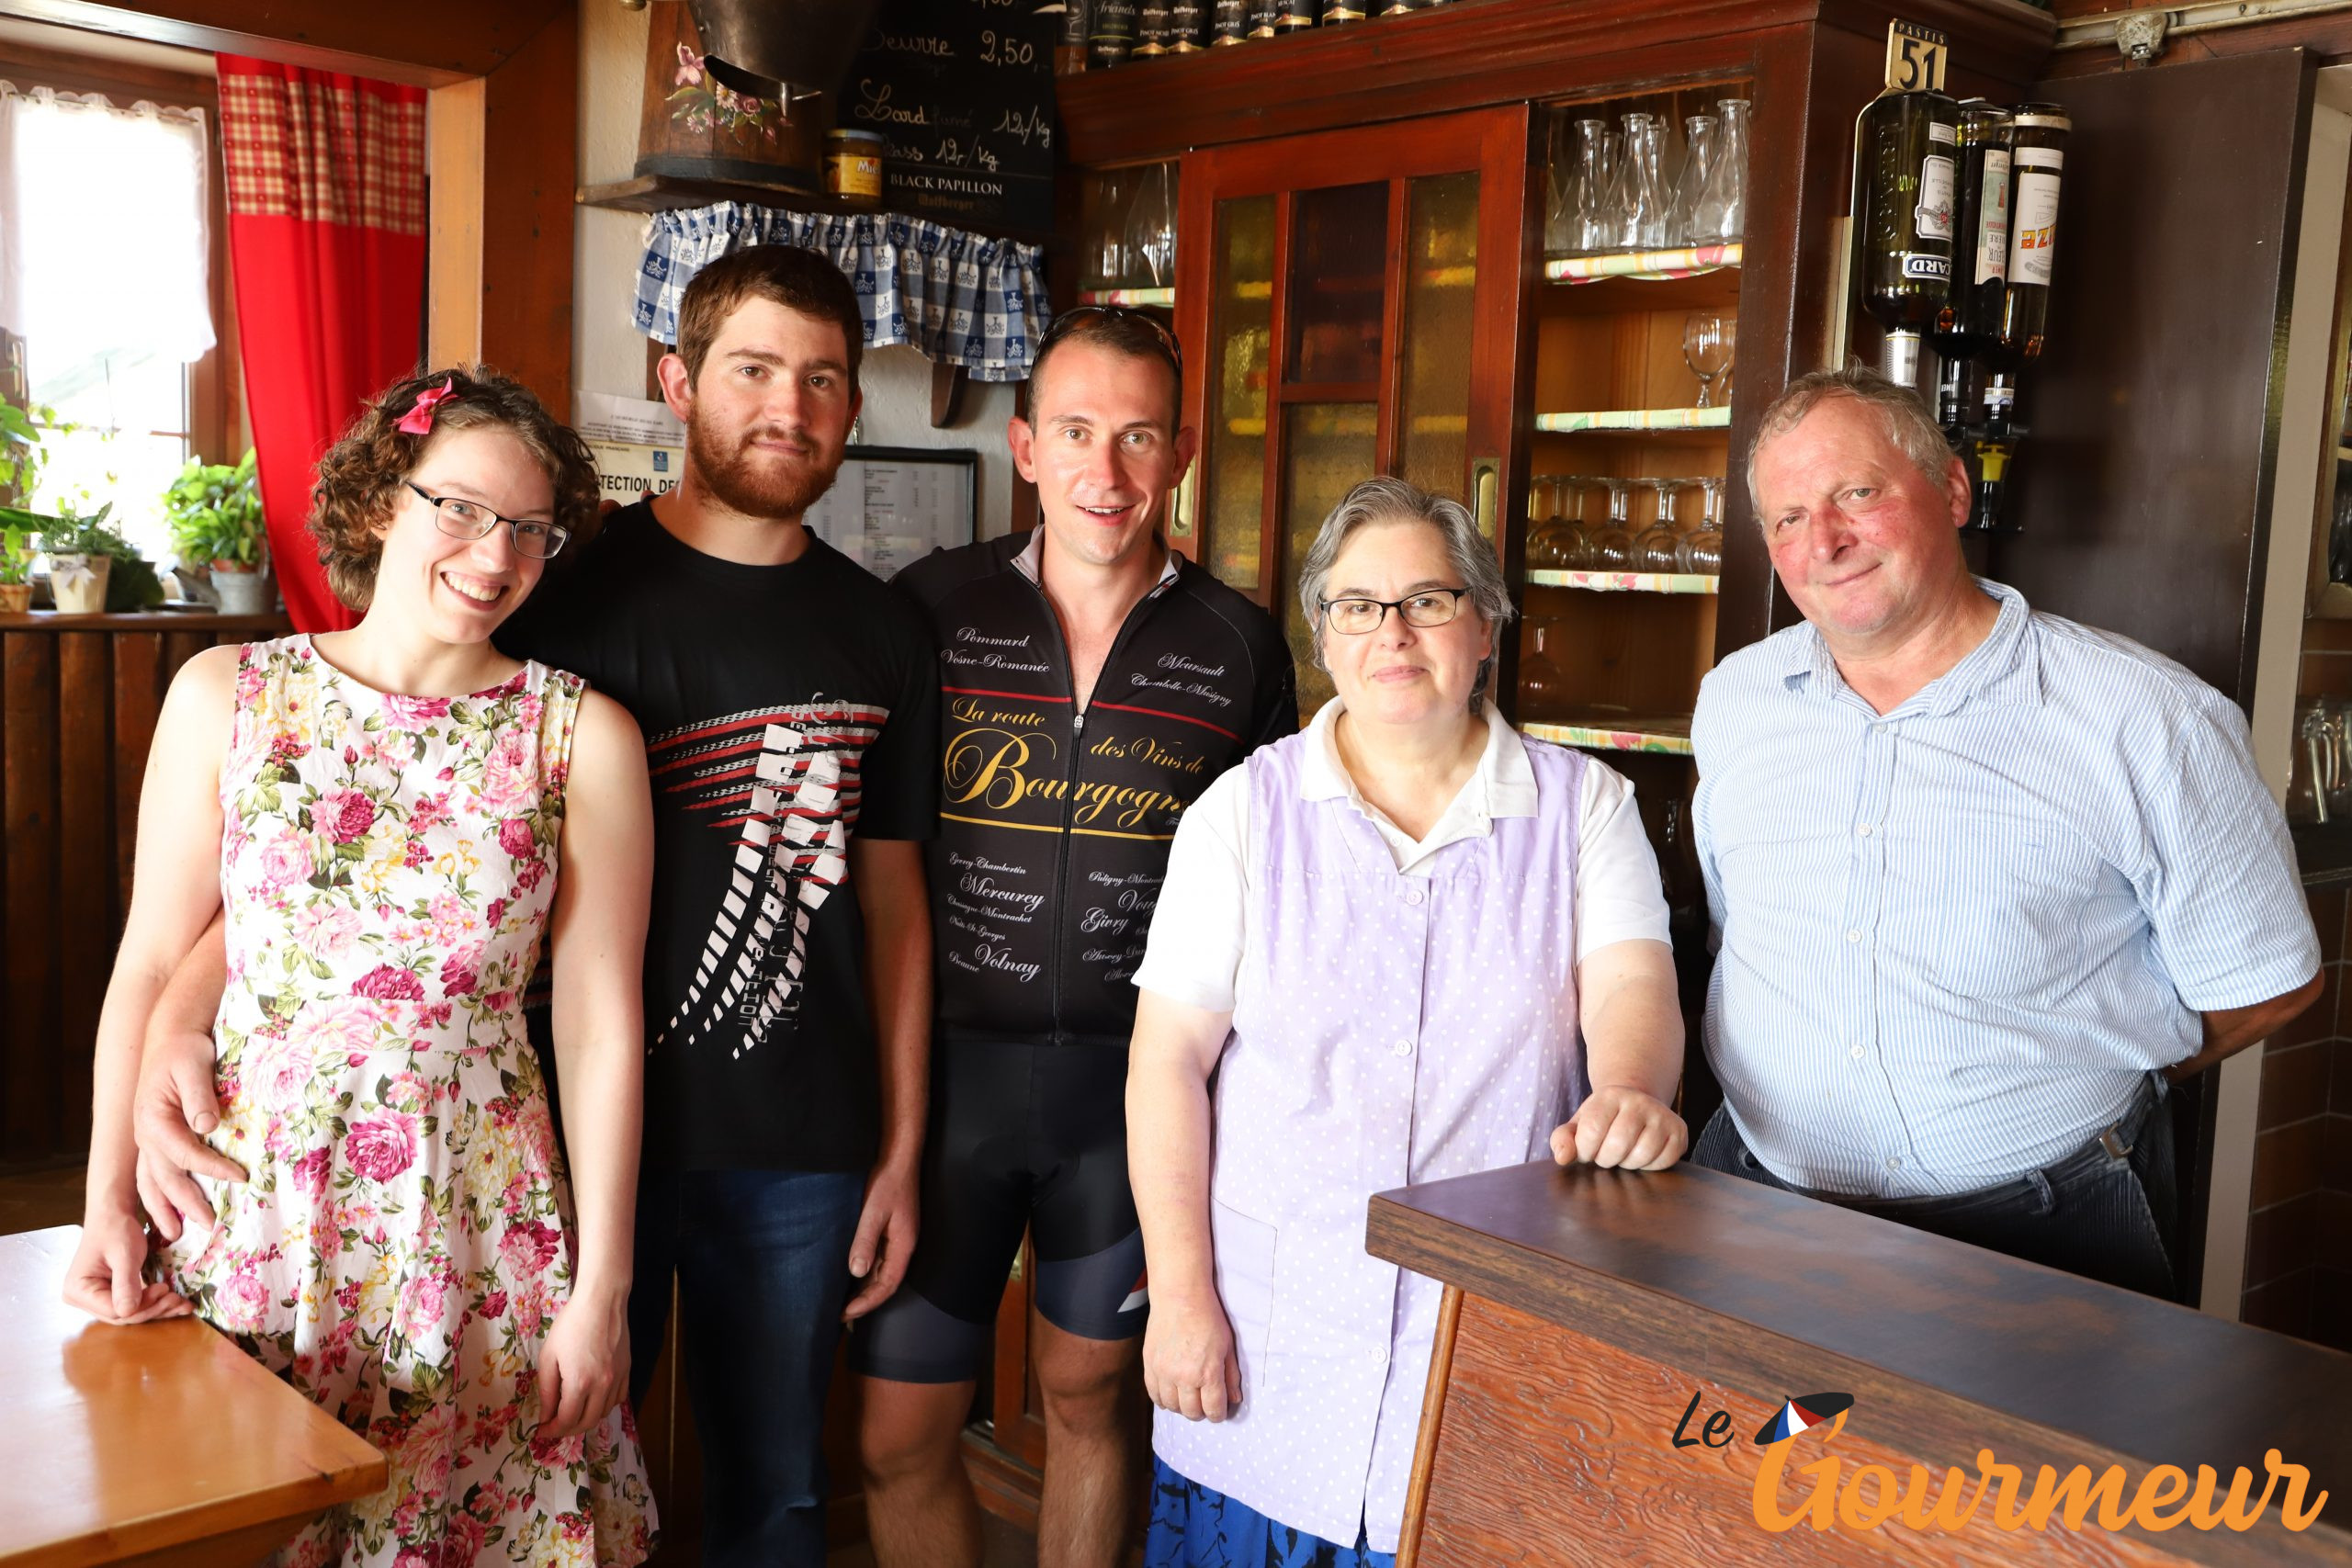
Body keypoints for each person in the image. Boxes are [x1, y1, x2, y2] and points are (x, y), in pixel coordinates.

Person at [130, 246, 941, 1567]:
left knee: (771, 1492)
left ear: (853, 403)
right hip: (536, 1141)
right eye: (751, 368)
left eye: (821, 378)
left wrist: (902, 1140)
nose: (786, 405)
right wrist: (185, 1002)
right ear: (676, 382)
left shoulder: (880, 628)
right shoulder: (556, 593)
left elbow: (894, 899)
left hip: (783, 1134)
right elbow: (375, 847)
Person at [62, 367, 659, 1565]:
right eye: (463, 509)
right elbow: (148, 963)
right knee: (242, 1527)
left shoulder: (579, 732)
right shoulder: (225, 695)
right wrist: (105, 1197)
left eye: (532, 529)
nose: (498, 554)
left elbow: (599, 1027)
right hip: (247, 1208)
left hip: (481, 1228)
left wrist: (601, 1291)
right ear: (383, 496)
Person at [1125, 476, 1687, 1566]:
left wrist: (1627, 1088)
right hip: (1268, 1338)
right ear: (1323, 640)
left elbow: (1630, 988)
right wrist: (1182, 1297)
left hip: (1489, 1338)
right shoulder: (1242, 813)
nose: (1393, 633)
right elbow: (1166, 1069)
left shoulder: (1585, 808)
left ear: (1483, 625)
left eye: (1428, 601)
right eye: (1357, 606)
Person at [1690, 366, 2322, 1299]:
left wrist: (2085, 1064)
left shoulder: (2142, 718)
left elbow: (2267, 985)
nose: (1821, 540)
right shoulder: (1734, 700)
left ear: (1951, 489)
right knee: (1755, 1450)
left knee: (2014, 1458)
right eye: (1785, 518)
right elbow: (1736, 925)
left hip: (2042, 1228)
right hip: (1752, 1202)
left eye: (1855, 494)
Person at [854, 307, 1295, 1568]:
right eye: (1079, 433)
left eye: (1140, 437)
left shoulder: (1238, 643)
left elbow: (1276, 888)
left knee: (1093, 1399)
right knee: (895, 1430)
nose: (1108, 473)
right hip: (941, 1092)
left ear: (1182, 451)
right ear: (1026, 446)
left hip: (1134, 1097)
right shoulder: (927, 608)